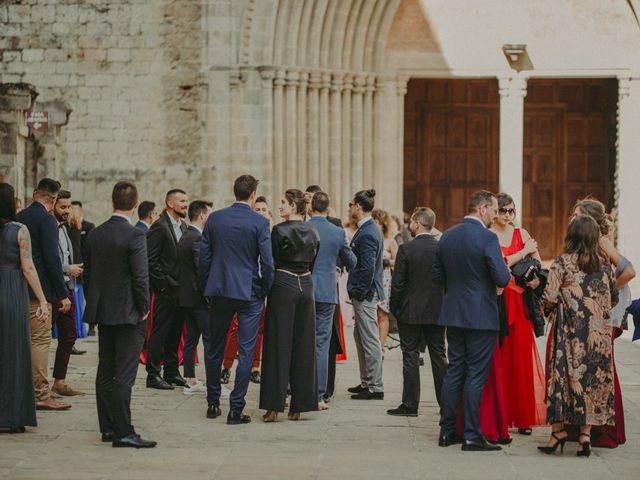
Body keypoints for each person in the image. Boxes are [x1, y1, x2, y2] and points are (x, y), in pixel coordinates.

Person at [434, 190, 511, 452]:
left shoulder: (447, 236)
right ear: (482, 209)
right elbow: (502, 278)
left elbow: (437, 275)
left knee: (455, 370)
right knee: (476, 375)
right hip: (481, 316)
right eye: (493, 210)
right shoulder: (487, 238)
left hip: (453, 312)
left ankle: (446, 433)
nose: (495, 215)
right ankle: (471, 435)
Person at [539, 215, 618, 458]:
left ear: (571, 236)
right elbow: (613, 298)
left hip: (569, 334)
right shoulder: (605, 267)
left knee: (562, 378)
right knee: (593, 380)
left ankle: (558, 432)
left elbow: (549, 296)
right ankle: (585, 436)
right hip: (597, 336)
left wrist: (551, 313)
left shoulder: (562, 263)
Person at [84, 181, 155, 449]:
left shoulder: (96, 234)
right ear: (136, 204)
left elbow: (89, 275)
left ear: (112, 202)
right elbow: (140, 277)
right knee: (124, 374)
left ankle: (108, 427)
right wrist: (144, 306)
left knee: (105, 369)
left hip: (104, 312)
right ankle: (124, 430)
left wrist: (96, 303)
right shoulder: (135, 235)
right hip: (129, 313)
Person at [199, 174, 274, 424]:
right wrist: (265, 289)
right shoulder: (259, 222)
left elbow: (204, 258)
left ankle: (212, 402)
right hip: (249, 291)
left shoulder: (215, 219)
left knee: (214, 348)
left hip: (219, 290)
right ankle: (235, 408)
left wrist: (207, 286)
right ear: (253, 195)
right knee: (246, 349)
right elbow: (267, 262)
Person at [562, 198, 636, 448]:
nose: (572, 217)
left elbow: (628, 271)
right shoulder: (586, 241)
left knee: (603, 368)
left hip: (603, 313)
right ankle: (581, 426)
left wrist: (602, 291)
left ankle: (605, 430)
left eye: (577, 213)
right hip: (590, 313)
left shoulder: (601, 242)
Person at [260, 189, 320, 421]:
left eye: (283, 202)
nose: (280, 206)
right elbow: (313, 261)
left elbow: (270, 260)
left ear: (294, 206)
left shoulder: (278, 230)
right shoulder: (313, 230)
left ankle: (274, 406)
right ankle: (299, 406)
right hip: (306, 283)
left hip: (284, 282)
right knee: (304, 344)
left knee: (277, 344)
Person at [490, 193, 546, 434]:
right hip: (499, 301)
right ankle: (500, 413)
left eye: (512, 211)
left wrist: (536, 279)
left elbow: (539, 263)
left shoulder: (521, 233)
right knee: (500, 358)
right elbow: (499, 264)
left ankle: (522, 417)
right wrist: (523, 253)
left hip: (520, 301)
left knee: (521, 358)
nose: (508, 215)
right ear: (495, 212)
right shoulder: (488, 234)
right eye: (503, 211)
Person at [16, 178, 72, 411]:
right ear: (54, 200)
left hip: (17, 288)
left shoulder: (19, 217)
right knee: (40, 341)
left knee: (24, 342)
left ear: (34, 194)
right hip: (40, 290)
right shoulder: (46, 220)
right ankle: (41, 393)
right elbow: (52, 260)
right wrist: (62, 295)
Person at [388, 207, 446, 417]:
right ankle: (446, 404)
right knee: (439, 357)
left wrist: (394, 307)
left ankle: (410, 405)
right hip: (437, 311)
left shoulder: (407, 250)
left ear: (417, 224)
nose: (410, 226)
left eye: (412, 222)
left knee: (410, 356)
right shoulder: (441, 248)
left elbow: (398, 284)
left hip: (410, 311)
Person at [0, 183, 48, 433]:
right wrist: (41, 299)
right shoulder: (19, 230)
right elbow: (28, 267)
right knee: (16, 351)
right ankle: (13, 415)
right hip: (11, 293)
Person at [308, 191, 356, 411]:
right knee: (321, 343)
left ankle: (296, 388)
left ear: (310, 208)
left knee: (300, 341)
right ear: (328, 210)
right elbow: (352, 260)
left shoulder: (303, 227)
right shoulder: (337, 232)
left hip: (303, 289)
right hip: (327, 292)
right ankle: (319, 395)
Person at [220, 195, 271, 385]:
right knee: (235, 328)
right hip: (245, 286)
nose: (261, 212)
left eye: (264, 209)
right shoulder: (247, 230)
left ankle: (255, 367)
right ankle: (226, 366)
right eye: (257, 210)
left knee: (259, 330)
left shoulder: (272, 233)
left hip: (263, 286)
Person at [145, 189, 188, 390]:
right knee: (159, 332)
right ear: (170, 203)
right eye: (182, 201)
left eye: (186, 201)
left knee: (175, 332)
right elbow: (151, 259)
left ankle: (171, 371)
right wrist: (162, 285)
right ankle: (153, 374)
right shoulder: (159, 227)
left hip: (182, 291)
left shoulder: (184, 226)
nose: (185, 204)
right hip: (166, 290)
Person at [346, 189, 385, 400]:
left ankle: (375, 386)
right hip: (365, 292)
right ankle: (366, 381)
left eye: (351, 204)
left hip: (366, 293)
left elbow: (368, 267)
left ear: (358, 206)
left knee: (369, 339)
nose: (350, 208)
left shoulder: (369, 231)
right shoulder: (367, 229)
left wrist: (359, 292)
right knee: (360, 336)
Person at [50, 190, 84, 396]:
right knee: (43, 338)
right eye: (63, 207)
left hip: (67, 287)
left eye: (68, 207)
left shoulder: (64, 227)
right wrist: (67, 269)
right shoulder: (48, 227)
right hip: (54, 289)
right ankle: (38, 382)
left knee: (69, 335)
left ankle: (59, 381)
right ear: (53, 204)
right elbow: (48, 258)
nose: (66, 211)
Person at [177, 200, 213, 394]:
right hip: (198, 298)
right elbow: (201, 270)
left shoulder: (185, 235)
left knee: (191, 338)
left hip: (186, 298)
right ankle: (212, 381)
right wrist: (209, 296)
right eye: (209, 214)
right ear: (202, 215)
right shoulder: (197, 238)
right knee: (210, 339)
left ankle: (190, 378)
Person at [371, 209, 398, 353]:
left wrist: (387, 261)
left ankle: (380, 348)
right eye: (374, 220)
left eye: (380, 221)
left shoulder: (390, 241)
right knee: (371, 314)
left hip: (385, 279)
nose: (377, 223)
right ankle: (371, 346)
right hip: (370, 278)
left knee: (382, 313)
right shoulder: (369, 237)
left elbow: (399, 261)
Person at [67, 203, 88, 343]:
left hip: (72, 266)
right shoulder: (76, 229)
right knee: (77, 299)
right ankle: (78, 329)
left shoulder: (68, 229)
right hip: (77, 266)